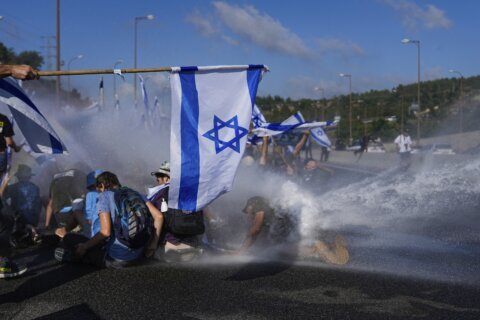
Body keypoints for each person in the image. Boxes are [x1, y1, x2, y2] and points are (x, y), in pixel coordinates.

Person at [55, 171, 163, 268]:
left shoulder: (105, 196)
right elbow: (159, 216)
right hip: (140, 252)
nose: (99, 192)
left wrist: (84, 246)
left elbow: (105, 232)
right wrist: (152, 245)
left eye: (99, 190)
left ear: (102, 185)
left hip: (119, 258)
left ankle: (73, 257)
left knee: (70, 238)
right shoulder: (135, 193)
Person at [0, 64, 38, 278]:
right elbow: (9, 142)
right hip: (0, 158)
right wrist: (10, 69)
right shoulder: (2, 120)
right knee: (3, 218)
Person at [234, 196, 349, 265]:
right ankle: (330, 244)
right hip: (289, 226)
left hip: (287, 228)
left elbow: (255, 230)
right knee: (278, 247)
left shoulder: (256, 203)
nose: (247, 216)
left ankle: (317, 249)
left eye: (247, 212)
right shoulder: (264, 204)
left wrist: (240, 251)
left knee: (279, 249)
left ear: (249, 208)